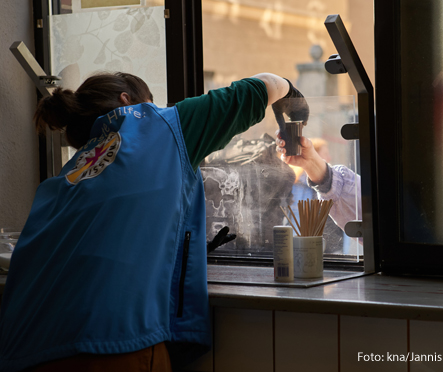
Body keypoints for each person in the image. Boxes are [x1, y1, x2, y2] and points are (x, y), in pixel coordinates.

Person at [0, 72, 308, 372]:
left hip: (25, 343)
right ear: (127, 101)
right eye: (153, 102)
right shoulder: (160, 127)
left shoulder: (71, 173)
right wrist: (291, 94)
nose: (161, 109)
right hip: (111, 341)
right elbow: (260, 86)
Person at [275, 135, 361, 233]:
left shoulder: (329, 186)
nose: (329, 157)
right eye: (325, 153)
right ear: (314, 154)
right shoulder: (296, 185)